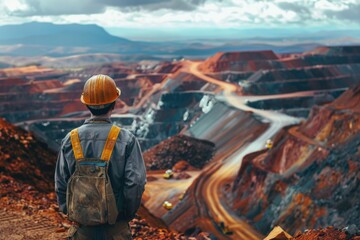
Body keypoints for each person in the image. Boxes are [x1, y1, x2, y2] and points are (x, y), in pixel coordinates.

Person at [55, 74, 146, 240]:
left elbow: (61, 182)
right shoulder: (126, 139)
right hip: (115, 231)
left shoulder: (71, 139)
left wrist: (70, 211)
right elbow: (135, 183)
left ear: (86, 104)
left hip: (83, 231)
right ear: (115, 103)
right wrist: (126, 213)